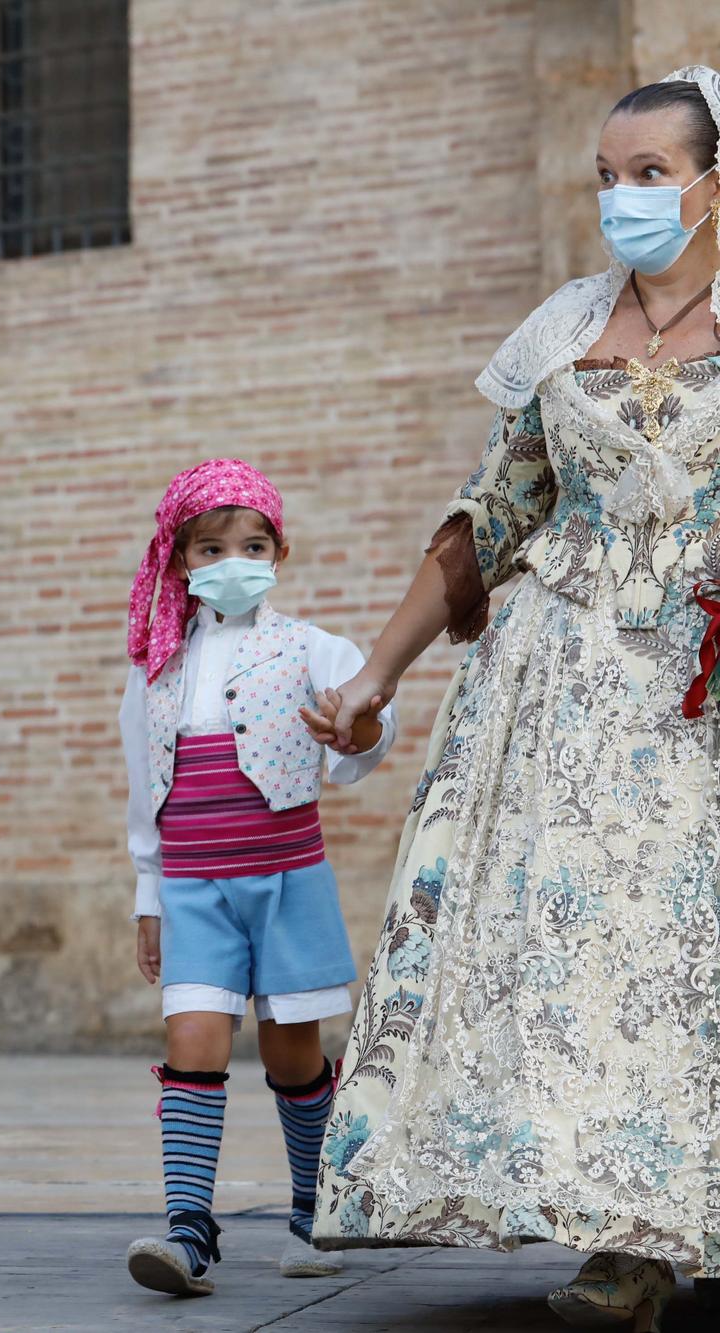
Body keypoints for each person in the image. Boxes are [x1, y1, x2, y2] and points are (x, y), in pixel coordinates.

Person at [313, 68, 720, 1330]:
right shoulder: (560, 332)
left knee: (678, 957)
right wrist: (374, 674)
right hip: (554, 691)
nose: (623, 198)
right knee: (566, 960)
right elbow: (490, 519)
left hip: (695, 694)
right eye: (607, 177)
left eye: (650, 173)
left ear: (712, 181)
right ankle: (617, 1238)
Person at [117, 460, 396, 1298]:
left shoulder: (314, 647)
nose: (231, 558)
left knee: (292, 1051)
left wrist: (358, 732)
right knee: (193, 1041)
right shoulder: (155, 667)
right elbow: (145, 787)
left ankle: (315, 1210)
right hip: (194, 890)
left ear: (280, 550)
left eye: (251, 543)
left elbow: (365, 732)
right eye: (210, 547)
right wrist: (147, 895)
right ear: (180, 562)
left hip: (286, 882)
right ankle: (189, 1229)